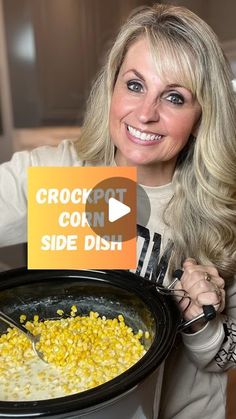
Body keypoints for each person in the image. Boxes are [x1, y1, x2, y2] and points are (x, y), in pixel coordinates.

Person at [0, 3, 236, 418]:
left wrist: (202, 325)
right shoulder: (54, 171)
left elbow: (225, 358)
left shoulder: (224, 212)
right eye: (134, 85)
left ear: (201, 117)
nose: (145, 113)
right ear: (111, 87)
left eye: (175, 97)